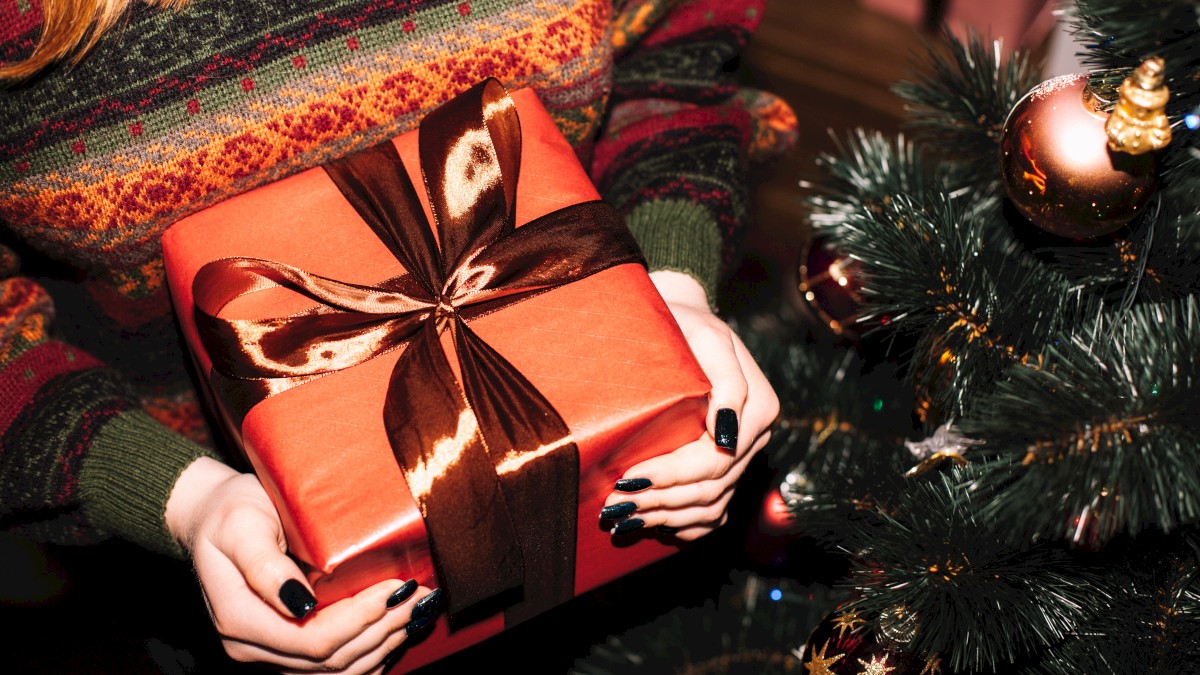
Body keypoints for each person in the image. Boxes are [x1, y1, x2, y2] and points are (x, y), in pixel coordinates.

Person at [0, 0, 795, 672]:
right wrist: (183, 497)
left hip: (636, 502)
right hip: (214, 565)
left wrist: (675, 291)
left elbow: (672, 58)